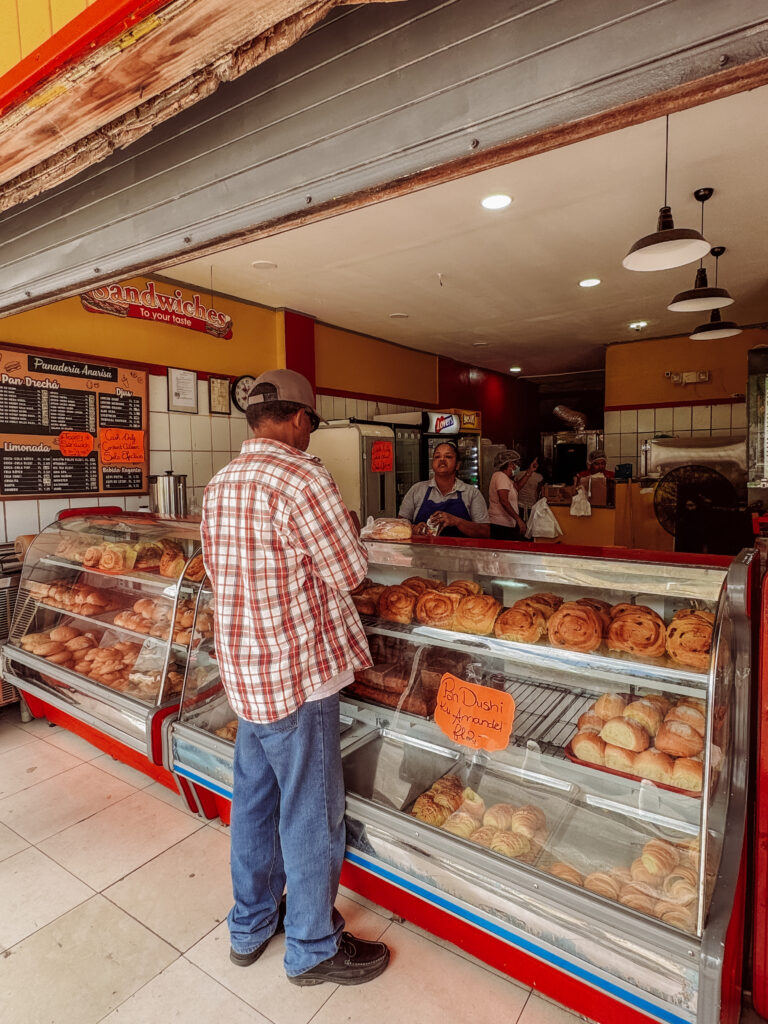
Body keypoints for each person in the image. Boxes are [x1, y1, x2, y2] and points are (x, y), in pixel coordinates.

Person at [201, 368, 390, 987]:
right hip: (297, 678)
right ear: (299, 419)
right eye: (311, 421)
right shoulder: (304, 477)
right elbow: (351, 571)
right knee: (312, 812)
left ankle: (251, 924)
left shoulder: (222, 482)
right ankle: (312, 944)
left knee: (254, 802)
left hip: (247, 676)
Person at [398, 440, 490, 537]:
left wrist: (456, 521)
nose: (442, 459)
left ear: (458, 465)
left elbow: (485, 531)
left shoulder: (472, 493)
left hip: (461, 551)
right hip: (422, 551)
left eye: (448, 456)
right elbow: (399, 524)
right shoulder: (417, 490)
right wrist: (413, 529)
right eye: (437, 457)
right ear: (432, 463)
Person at [488, 450, 538, 540]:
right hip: (501, 525)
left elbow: (517, 487)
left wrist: (529, 472)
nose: (517, 467)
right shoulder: (501, 476)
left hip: (506, 524)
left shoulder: (506, 479)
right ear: (510, 464)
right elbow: (504, 500)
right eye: (516, 464)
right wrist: (519, 520)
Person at [515, 454, 544, 520]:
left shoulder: (518, 474)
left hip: (519, 504)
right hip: (530, 505)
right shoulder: (539, 477)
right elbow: (539, 492)